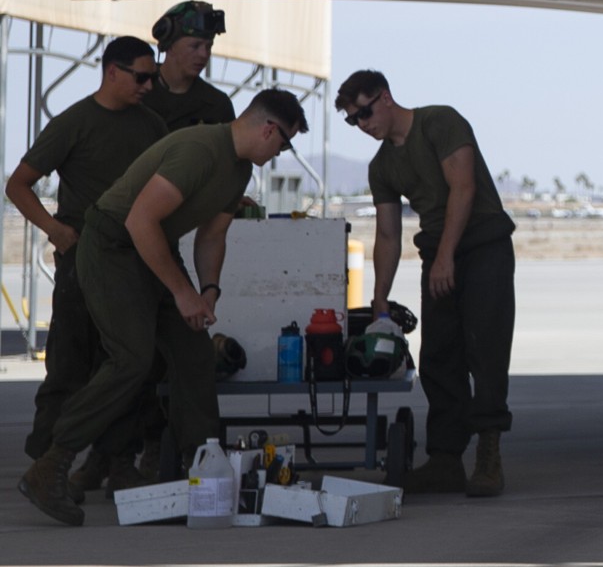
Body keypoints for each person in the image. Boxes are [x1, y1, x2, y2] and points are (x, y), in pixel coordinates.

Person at [16, 91, 306, 527]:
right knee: (131, 358)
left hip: (152, 249)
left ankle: (204, 466)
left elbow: (212, 236)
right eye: (283, 144)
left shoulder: (240, 169)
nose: (279, 153)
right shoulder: (199, 150)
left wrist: (208, 290)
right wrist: (181, 292)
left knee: (194, 351)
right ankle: (52, 463)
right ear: (268, 129)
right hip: (113, 245)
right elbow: (139, 221)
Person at [340, 70, 516, 498]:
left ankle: (488, 454)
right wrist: (379, 298)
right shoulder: (382, 167)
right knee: (438, 356)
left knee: (485, 350)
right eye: (353, 120)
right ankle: (445, 460)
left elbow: (463, 188)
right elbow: (387, 234)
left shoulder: (440, 122)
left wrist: (445, 257)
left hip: (483, 246)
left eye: (364, 112)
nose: (362, 124)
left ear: (385, 97)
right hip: (438, 254)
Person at [4, 37, 167, 496]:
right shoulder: (73, 123)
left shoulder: (152, 126)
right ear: (112, 71)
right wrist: (54, 229)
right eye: (141, 77)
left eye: (153, 78)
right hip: (80, 262)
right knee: (69, 365)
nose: (148, 86)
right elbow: (18, 185)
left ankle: (116, 461)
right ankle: (46, 465)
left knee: (129, 363)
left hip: (131, 262)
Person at [144, 1, 235, 132]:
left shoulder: (217, 105)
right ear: (170, 46)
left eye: (209, 47)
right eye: (195, 46)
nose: (204, 54)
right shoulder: (137, 90)